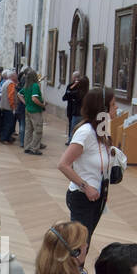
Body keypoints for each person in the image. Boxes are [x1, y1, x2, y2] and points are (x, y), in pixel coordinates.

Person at [58, 86, 116, 241]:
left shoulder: (102, 129)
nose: (117, 108)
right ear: (102, 108)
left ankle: (77, 265)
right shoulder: (85, 132)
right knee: (79, 245)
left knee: (85, 242)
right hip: (82, 196)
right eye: (113, 104)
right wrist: (86, 187)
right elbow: (63, 164)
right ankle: (73, 266)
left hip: (97, 196)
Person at [21, 68, 46, 155]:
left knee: (29, 129)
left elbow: (19, 94)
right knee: (38, 130)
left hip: (28, 109)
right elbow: (34, 98)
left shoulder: (26, 85)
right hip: (35, 110)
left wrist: (26, 103)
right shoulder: (35, 85)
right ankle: (34, 148)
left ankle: (27, 146)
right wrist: (42, 105)